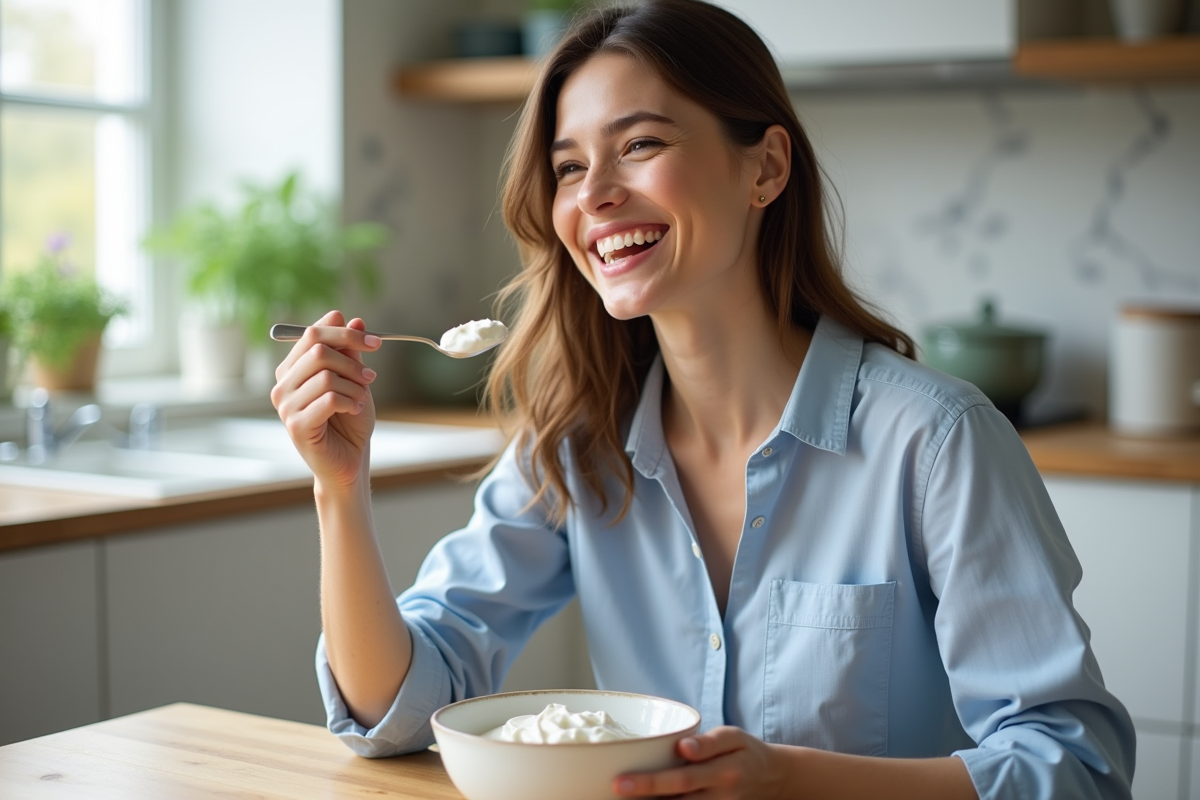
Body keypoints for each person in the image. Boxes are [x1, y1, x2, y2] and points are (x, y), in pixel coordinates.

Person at [271, 1, 1135, 797]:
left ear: (764, 168)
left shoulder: (936, 442)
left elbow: (1074, 765)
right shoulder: (575, 445)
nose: (595, 194)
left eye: (640, 145)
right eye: (569, 167)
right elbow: (398, 710)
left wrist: (791, 781)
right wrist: (338, 490)